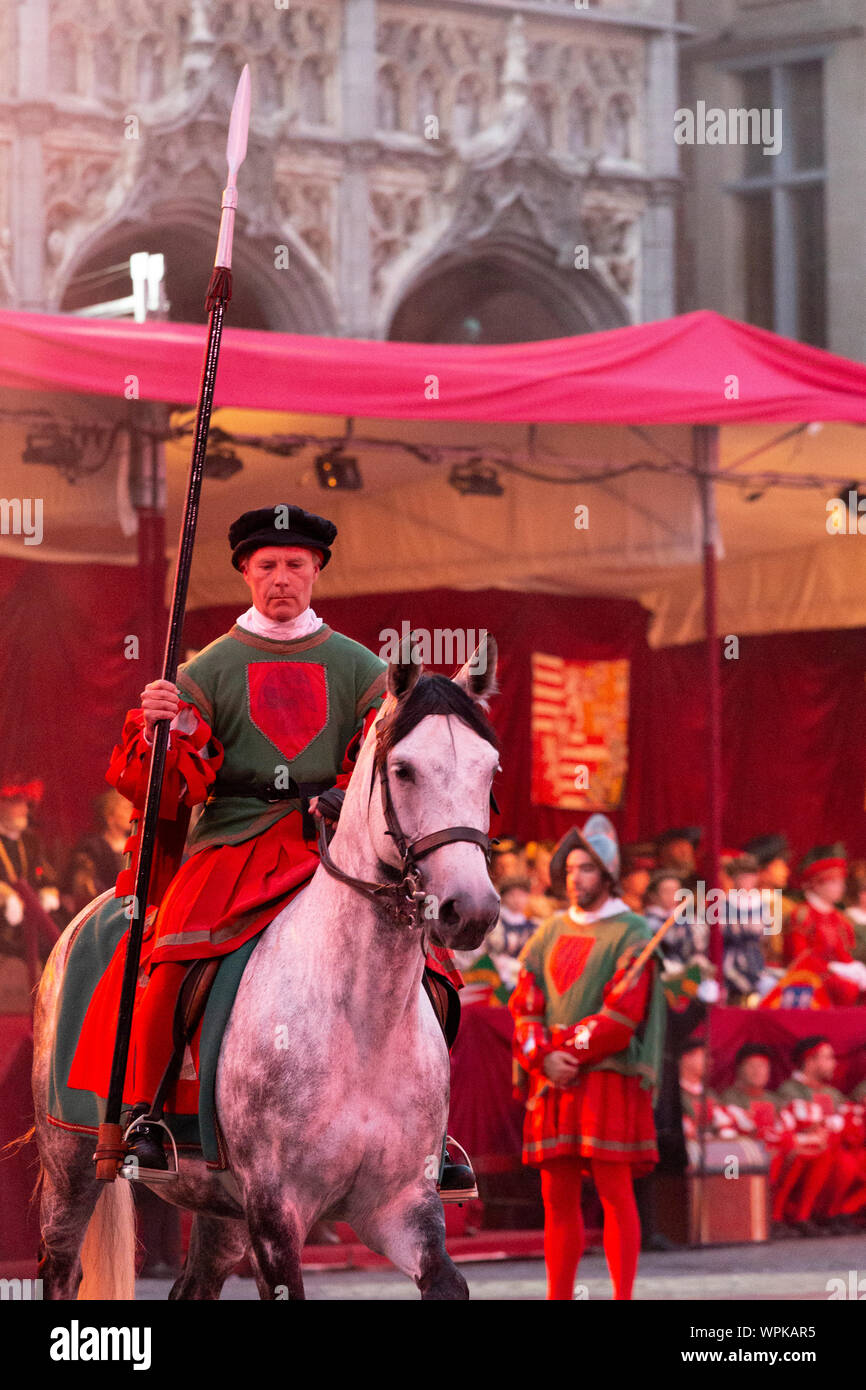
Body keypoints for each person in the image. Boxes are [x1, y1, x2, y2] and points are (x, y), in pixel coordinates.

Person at [69, 504, 475, 1197]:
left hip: (334, 850)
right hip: (231, 841)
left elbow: (393, 760)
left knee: (431, 971)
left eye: (295, 565)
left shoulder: (366, 670)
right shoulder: (204, 670)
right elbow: (157, 790)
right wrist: (157, 729)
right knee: (172, 958)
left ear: (316, 572)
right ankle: (148, 1115)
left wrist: (346, 797)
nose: (281, 578)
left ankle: (427, 1130)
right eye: (267, 567)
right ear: (246, 574)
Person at [509, 814, 666, 1300]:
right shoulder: (548, 931)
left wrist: (563, 1053)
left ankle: (622, 1297)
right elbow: (525, 1005)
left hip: (604, 1078)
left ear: (609, 875)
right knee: (555, 1199)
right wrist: (542, 1059)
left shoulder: (633, 931)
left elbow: (622, 1016)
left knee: (614, 1193)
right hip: (553, 1079)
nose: (576, 877)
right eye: (572, 869)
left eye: (588, 869)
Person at [775, 1037, 866, 1232]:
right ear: (810, 1061)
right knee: (842, 1163)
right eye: (828, 1058)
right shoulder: (790, 1090)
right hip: (805, 1151)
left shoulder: (833, 1093)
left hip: (837, 1150)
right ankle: (800, 1214)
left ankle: (840, 1212)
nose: (834, 1063)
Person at [60, 788, 131, 919]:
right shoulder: (92, 848)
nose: (132, 813)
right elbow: (84, 888)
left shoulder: (137, 845)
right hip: (104, 913)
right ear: (110, 817)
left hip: (132, 911)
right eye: (126, 809)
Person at [743, 833, 795, 966]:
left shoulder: (790, 907)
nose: (786, 871)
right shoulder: (744, 905)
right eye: (780, 865)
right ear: (762, 869)